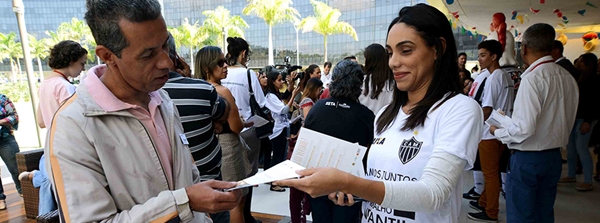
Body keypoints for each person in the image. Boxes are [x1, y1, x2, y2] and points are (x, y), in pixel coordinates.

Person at [277, 4, 484, 223]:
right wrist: (348, 191)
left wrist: (349, 183)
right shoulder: (386, 114)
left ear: (437, 49)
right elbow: (376, 183)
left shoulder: (459, 109)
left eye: (406, 50)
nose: (394, 62)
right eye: (390, 53)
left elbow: (433, 195)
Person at [45, 0, 241, 221]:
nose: (166, 62)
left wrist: (197, 201)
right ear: (107, 56)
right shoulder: (73, 126)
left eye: (165, 46)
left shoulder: (161, 99)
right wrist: (183, 201)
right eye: (148, 55)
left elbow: (187, 176)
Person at [489, 23, 578, 223]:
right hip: (553, 156)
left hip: (527, 158)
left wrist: (498, 131)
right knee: (544, 213)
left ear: (525, 48)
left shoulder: (533, 78)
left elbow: (524, 129)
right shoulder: (567, 77)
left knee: (521, 215)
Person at [163, 41, 243, 222]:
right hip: (208, 176)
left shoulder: (149, 94)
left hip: (172, 190)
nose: (225, 66)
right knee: (233, 202)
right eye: (220, 62)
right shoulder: (207, 91)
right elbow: (233, 123)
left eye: (225, 61)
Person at [19, 40, 88, 215]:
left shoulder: (46, 84)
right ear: (71, 61)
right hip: (67, 147)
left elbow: (42, 122)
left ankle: (38, 177)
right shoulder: (66, 87)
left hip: (51, 145)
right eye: (82, 63)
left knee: (48, 179)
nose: (83, 68)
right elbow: (77, 123)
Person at [302, 59, 374, 223]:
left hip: (319, 183)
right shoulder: (366, 115)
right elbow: (370, 153)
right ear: (359, 85)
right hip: (348, 188)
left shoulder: (317, 109)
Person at [467, 40, 515, 222]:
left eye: (483, 55)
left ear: (494, 57)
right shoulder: (504, 76)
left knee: (490, 174)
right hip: (501, 130)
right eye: (479, 55)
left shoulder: (494, 77)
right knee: (492, 171)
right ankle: (484, 201)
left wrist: (471, 124)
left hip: (490, 132)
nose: (479, 59)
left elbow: (486, 108)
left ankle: (491, 211)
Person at [221, 36, 264, 223]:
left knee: (228, 179)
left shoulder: (220, 74)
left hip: (224, 132)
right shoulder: (248, 74)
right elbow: (261, 102)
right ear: (244, 53)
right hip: (247, 129)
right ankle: (245, 215)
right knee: (249, 176)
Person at [558, 53, 600, 192]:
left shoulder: (594, 80)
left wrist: (587, 121)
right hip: (575, 117)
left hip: (585, 119)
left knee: (582, 149)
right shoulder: (580, 77)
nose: (578, 63)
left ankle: (588, 180)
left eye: (581, 61)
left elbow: (594, 104)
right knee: (571, 148)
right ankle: (571, 174)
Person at [263, 67, 300, 192]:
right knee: (277, 157)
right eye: (279, 80)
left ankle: (279, 180)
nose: (281, 82)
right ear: (272, 81)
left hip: (282, 128)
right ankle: (274, 183)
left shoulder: (275, 95)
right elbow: (283, 110)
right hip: (276, 130)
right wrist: (293, 95)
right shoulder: (269, 97)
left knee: (281, 157)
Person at [359, 43, 395, 114]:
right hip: (385, 122)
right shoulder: (393, 83)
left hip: (365, 122)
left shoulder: (361, 81)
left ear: (368, 60)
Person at [0, 94, 21, 210]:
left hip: (5, 139)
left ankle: (23, 191)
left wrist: (0, 122)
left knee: (16, 167)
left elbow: (14, 117)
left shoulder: (2, 99)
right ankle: (0, 198)